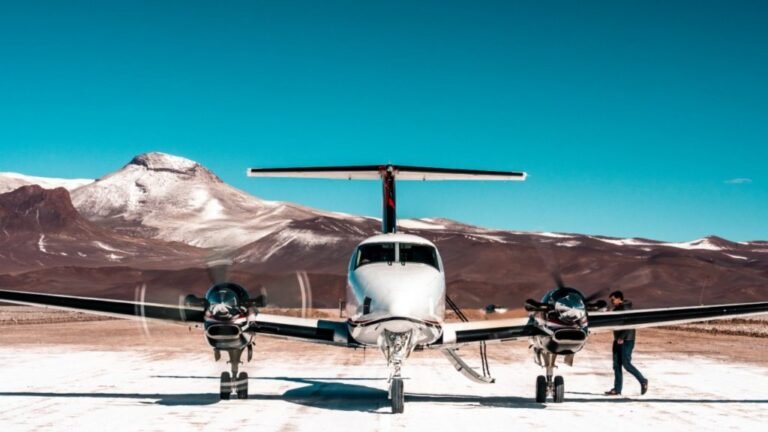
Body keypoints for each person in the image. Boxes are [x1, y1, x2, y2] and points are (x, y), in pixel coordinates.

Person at [605, 290, 649, 396]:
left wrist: (621, 337)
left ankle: (643, 380)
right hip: (618, 339)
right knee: (616, 365)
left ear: (619, 298)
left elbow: (629, 324)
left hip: (626, 340)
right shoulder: (617, 308)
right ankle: (617, 389)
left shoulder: (625, 308)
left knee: (626, 364)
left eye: (613, 299)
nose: (611, 302)